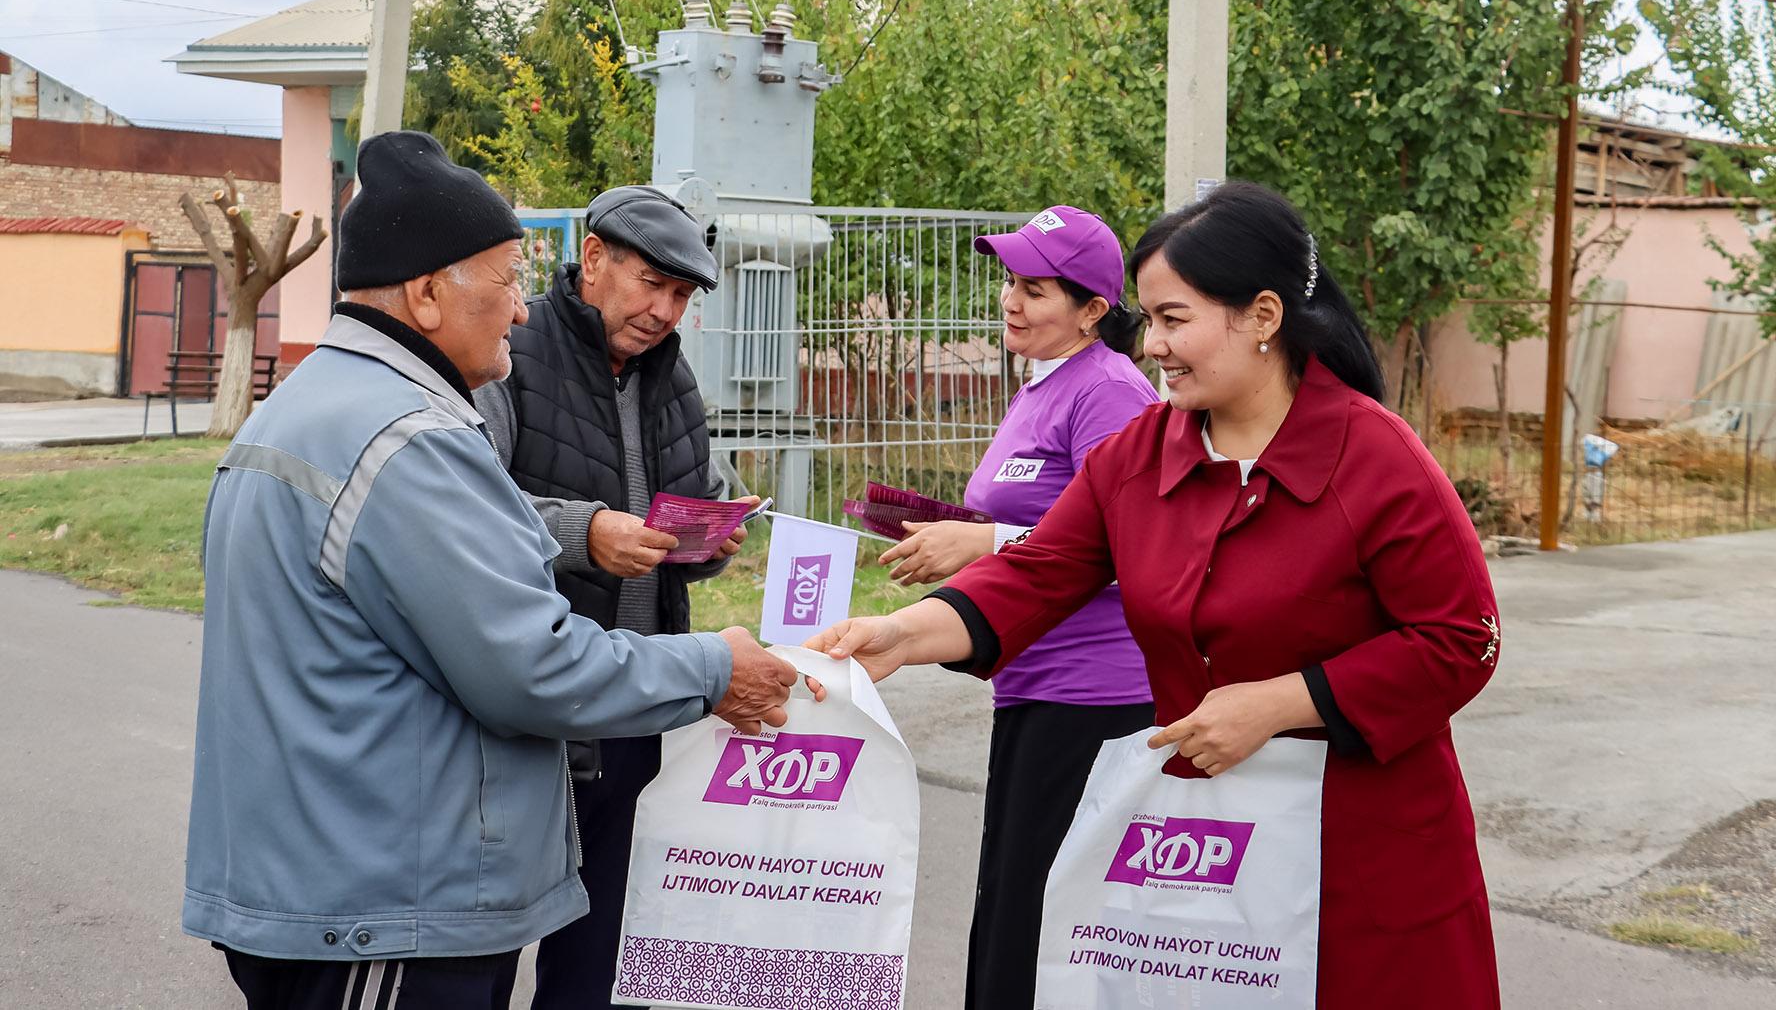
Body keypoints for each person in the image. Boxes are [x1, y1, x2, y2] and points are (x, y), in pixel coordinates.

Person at [811, 181, 1504, 1008]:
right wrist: (904, 634)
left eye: (1174, 320)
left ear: (1262, 317)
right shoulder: (1139, 456)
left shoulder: (1375, 459)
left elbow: (1460, 638)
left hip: (1357, 849)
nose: (1151, 348)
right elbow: (1040, 570)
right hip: (1202, 848)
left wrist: (1278, 704)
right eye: (1147, 321)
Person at [183, 132, 808, 1010]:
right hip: (385, 896)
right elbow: (529, 665)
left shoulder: (314, 404)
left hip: (330, 870)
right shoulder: (411, 440)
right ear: (430, 293)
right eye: (509, 278)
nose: (520, 308)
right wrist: (713, 668)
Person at [472, 185, 751, 1010]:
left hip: (634, 706)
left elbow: (673, 519)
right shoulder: (509, 355)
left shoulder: (672, 379)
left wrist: (703, 546)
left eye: (680, 296)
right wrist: (580, 531)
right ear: (592, 260)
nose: (664, 311)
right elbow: (460, 510)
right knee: (483, 947)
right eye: (649, 284)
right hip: (526, 710)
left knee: (597, 953)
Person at [874, 204, 1155, 1008]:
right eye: (1008, 281)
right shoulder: (1045, 383)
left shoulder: (1109, 392)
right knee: (1010, 902)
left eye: (1035, 289)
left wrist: (986, 541)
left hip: (1094, 696)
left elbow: (1135, 548)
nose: (1010, 300)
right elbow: (1043, 520)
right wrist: (966, 535)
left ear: (1093, 311)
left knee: (1039, 915)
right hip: (1031, 680)